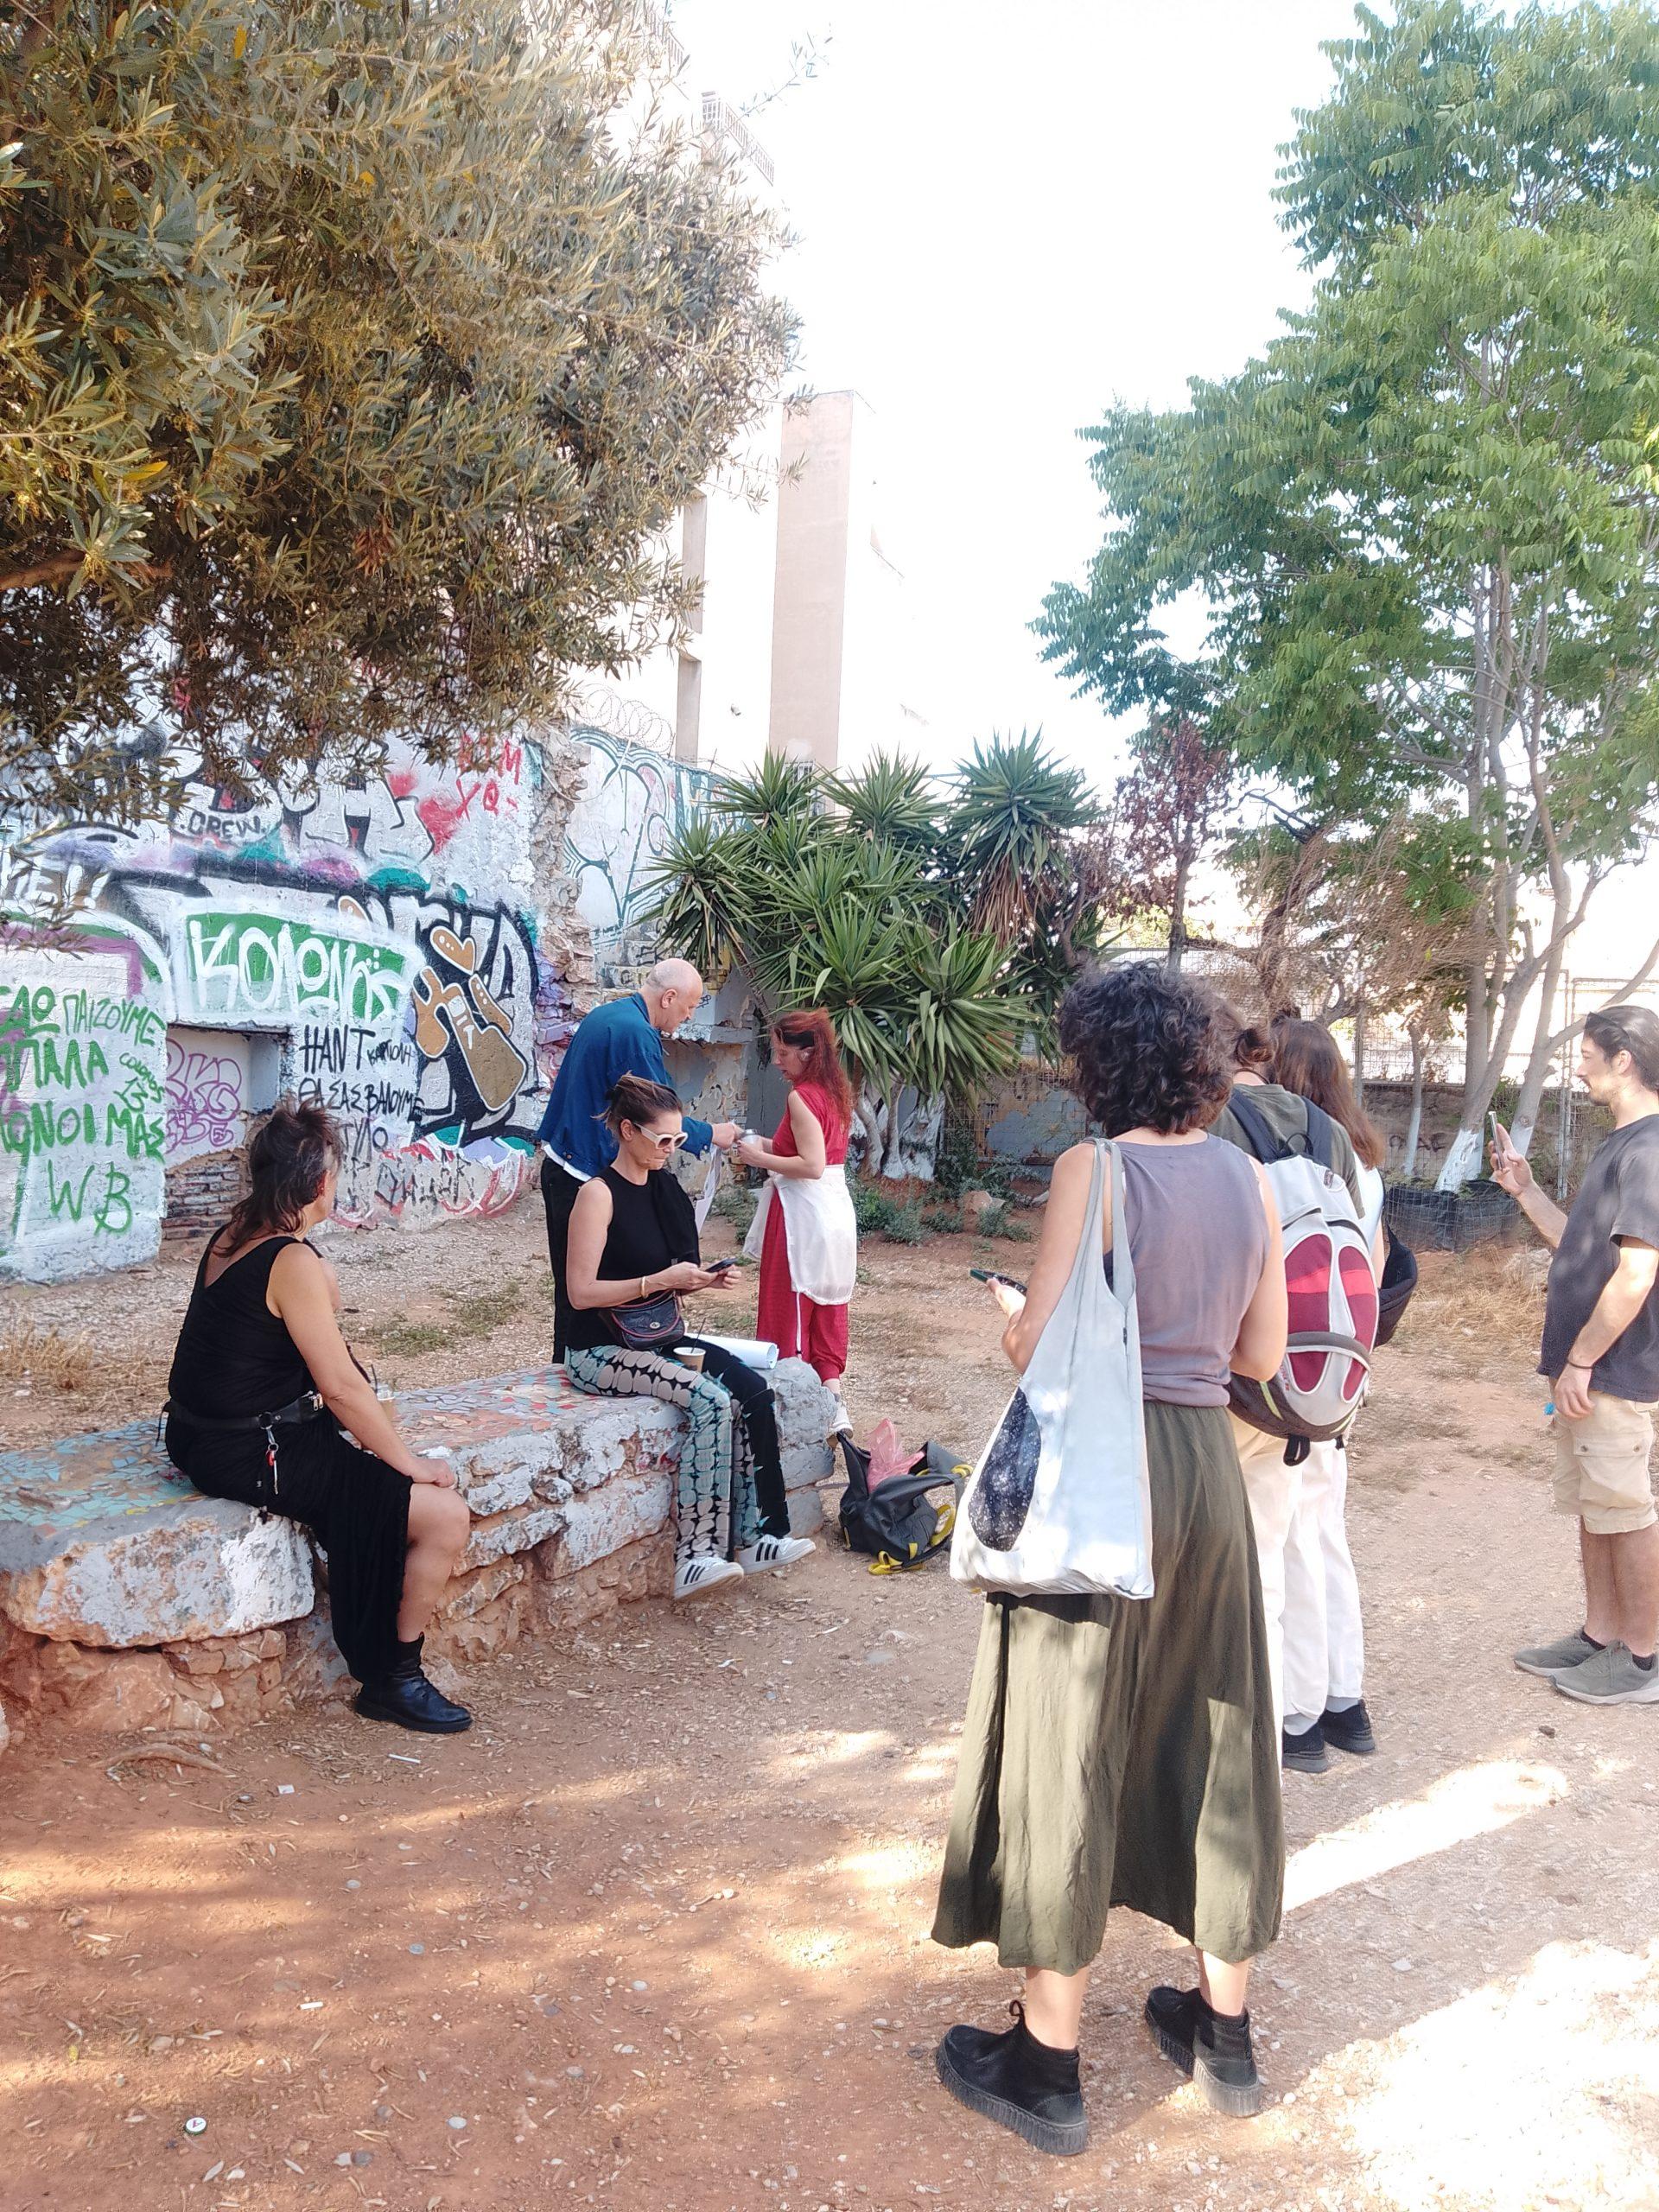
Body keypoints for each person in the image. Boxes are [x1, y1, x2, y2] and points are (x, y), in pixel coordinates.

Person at [931, 963, 1288, 2153]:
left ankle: (1048, 2063)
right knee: (1217, 1733)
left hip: (1105, 1473)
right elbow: (1263, 1354)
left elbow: (1041, 1341)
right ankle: (1224, 2037)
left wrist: (1011, 1319)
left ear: (1097, 1063)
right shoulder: (1250, 1177)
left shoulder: (1096, 1169)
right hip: (1206, 1474)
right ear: (1198, 1061)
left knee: (1068, 1733)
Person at [164, 1104, 473, 1733]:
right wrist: (409, 1464)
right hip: (250, 1451)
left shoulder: (232, 1235)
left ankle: (391, 1670)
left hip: (196, 1436)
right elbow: (341, 1389)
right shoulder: (292, 1262)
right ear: (319, 1184)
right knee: (444, 1515)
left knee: (369, 1486)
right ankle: (393, 1679)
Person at [563, 1075, 817, 1600]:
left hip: (657, 1334)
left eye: (678, 1139)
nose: (671, 1150)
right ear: (628, 1131)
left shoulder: (665, 1190)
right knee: (708, 1400)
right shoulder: (597, 1195)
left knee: (752, 1389)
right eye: (663, 1140)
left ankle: (760, 1536)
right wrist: (658, 1281)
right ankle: (695, 1555)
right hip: (598, 1348)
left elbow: (675, 1275)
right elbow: (580, 1294)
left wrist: (703, 1280)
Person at [1209, 1004, 1370, 1750]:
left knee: (1246, 1558)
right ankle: (1318, 1709)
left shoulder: (1209, 1124)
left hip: (1243, 1377)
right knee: (1300, 1542)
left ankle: (1268, 1726)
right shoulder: (1327, 1132)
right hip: (1326, 1369)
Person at [1493, 1004, 1659, 1707]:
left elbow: (1637, 1273)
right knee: (1597, 1506)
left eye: (1588, 1054)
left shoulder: (1650, 1151)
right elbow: (1581, 1247)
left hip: (1612, 1372)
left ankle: (1644, 1659)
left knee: (1625, 1509)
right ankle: (1600, 1636)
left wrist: (1584, 1360)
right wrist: (1526, 1190)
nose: (1579, 1065)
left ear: (1624, 1059)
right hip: (1590, 1372)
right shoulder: (1622, 1144)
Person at [1269, 1017, 1387, 1771]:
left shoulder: (1293, 1162)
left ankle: (1299, 1713)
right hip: (1347, 1372)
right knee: (1326, 1530)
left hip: (1293, 1375)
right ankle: (1347, 1701)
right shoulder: (1361, 1163)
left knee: (1290, 1540)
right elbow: (1371, 1268)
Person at [537, 959, 740, 1361]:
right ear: (668, 997)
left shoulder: (607, 1015)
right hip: (585, 1174)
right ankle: (589, 1365)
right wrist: (710, 1133)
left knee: (573, 1287)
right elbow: (657, 1116)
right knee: (591, 1289)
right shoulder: (637, 1035)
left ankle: (578, 1363)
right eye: (689, 1006)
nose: (689, 1016)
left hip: (564, 1163)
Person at [735, 1008, 857, 1423]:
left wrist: (758, 1158)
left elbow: (811, 1165)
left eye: (783, 1053)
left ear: (807, 1053)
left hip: (802, 1215)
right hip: (834, 1211)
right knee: (826, 1309)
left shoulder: (801, 1097)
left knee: (790, 1311)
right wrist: (762, 1143)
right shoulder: (834, 1093)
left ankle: (789, 1414)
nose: (777, 1061)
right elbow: (815, 1154)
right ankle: (835, 1409)